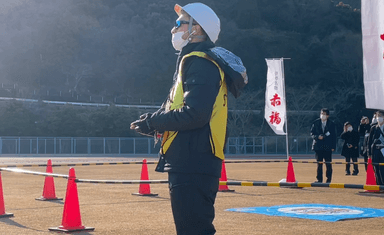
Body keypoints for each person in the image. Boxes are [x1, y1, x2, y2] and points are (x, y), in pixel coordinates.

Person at [130, 3, 247, 234]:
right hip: (195, 158)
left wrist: (154, 122)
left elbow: (195, 114)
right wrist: (154, 124)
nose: (174, 29)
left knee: (194, 230)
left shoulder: (201, 62)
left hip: (193, 160)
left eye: (179, 23)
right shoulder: (198, 61)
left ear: (197, 29)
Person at [310, 108, 337, 183]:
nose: (323, 115)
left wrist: (333, 147)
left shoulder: (331, 124)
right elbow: (312, 133)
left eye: (324, 114)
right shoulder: (316, 123)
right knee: (319, 164)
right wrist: (317, 137)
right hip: (318, 146)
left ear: (328, 115)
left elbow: (334, 136)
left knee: (328, 164)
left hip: (328, 147)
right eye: (322, 113)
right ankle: (319, 180)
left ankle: (328, 179)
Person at [368, 110, 384, 186]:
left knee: (383, 169)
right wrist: (369, 153)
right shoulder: (373, 128)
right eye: (378, 116)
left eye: (380, 116)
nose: (379, 118)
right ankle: (379, 185)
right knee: (376, 169)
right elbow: (369, 141)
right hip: (375, 151)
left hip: (383, 150)